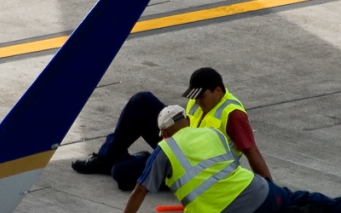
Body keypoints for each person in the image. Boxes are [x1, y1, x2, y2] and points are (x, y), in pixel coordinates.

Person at [100, 105, 341, 213]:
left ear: (163, 133)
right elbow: (233, 166)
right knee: (294, 195)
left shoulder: (165, 150)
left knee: (259, 210)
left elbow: (140, 188)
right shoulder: (212, 134)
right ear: (186, 121)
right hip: (258, 196)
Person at [72, 67, 272, 191]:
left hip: (193, 170)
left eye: (201, 97)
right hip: (179, 148)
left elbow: (251, 151)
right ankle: (106, 158)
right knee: (142, 102)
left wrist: (270, 189)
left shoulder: (233, 115)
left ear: (218, 91)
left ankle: (139, 160)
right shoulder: (198, 102)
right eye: (195, 97)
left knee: (122, 173)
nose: (196, 102)